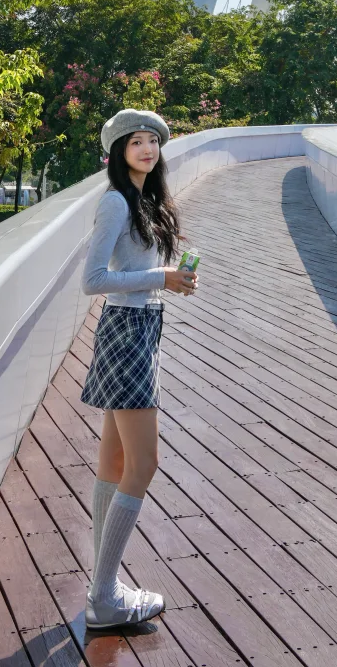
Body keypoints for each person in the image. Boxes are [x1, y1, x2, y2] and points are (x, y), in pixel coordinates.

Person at [79, 108, 197, 628]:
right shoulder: (113, 202)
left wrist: (169, 281)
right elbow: (92, 279)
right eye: (137, 142)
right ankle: (105, 597)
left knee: (114, 462)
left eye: (154, 141)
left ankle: (102, 586)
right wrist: (160, 277)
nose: (148, 149)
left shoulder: (144, 199)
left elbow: (135, 274)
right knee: (143, 465)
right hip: (126, 332)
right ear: (119, 152)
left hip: (138, 328)